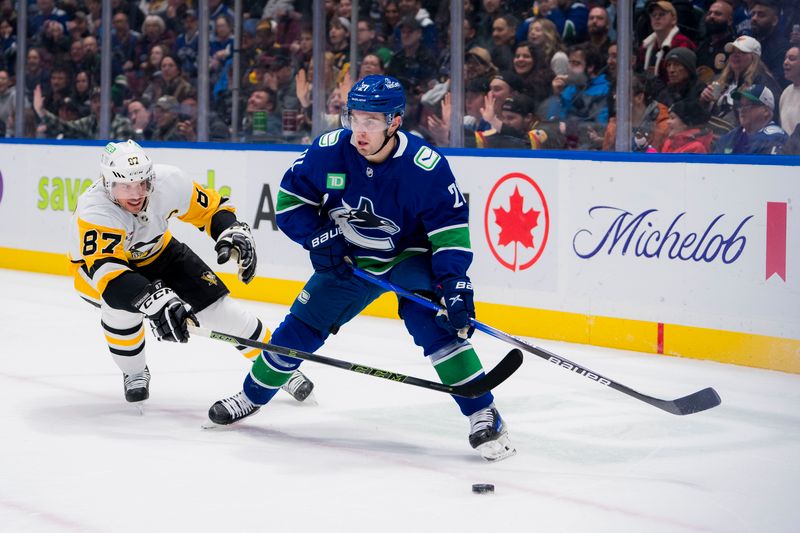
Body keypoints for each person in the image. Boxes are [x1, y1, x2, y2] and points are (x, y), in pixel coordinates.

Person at [207, 75, 516, 462]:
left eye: (372, 120)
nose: (359, 130)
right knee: (300, 326)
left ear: (395, 122)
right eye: (354, 117)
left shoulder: (426, 167)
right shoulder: (328, 151)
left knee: (435, 324)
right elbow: (288, 204)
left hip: (409, 256)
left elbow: (449, 233)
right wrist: (319, 238)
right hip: (351, 260)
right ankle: (251, 397)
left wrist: (454, 282)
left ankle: (483, 413)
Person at [68, 140, 314, 406]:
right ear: (107, 184)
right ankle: (134, 371)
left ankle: (276, 367)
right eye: (125, 186)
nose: (136, 193)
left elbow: (212, 210)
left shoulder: (169, 181)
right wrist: (155, 300)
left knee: (223, 313)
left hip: (160, 253)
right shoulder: (95, 210)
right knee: (120, 312)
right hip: (98, 272)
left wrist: (231, 231)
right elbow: (109, 277)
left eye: (142, 184)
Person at [713, 84, 788, 154]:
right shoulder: (730, 137)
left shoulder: (776, 138)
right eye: (740, 105)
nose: (742, 109)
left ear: (766, 111)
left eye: (748, 105)